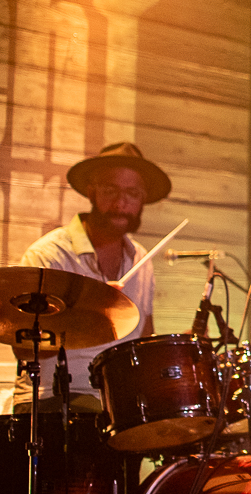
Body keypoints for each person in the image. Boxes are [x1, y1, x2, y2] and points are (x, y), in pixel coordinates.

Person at [12, 141, 169, 412]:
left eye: (132, 193)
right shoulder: (49, 256)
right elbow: (24, 349)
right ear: (91, 191)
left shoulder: (141, 259)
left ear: (143, 198)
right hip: (52, 402)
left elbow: (143, 340)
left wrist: (178, 350)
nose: (121, 203)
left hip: (116, 400)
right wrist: (89, 308)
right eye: (110, 190)